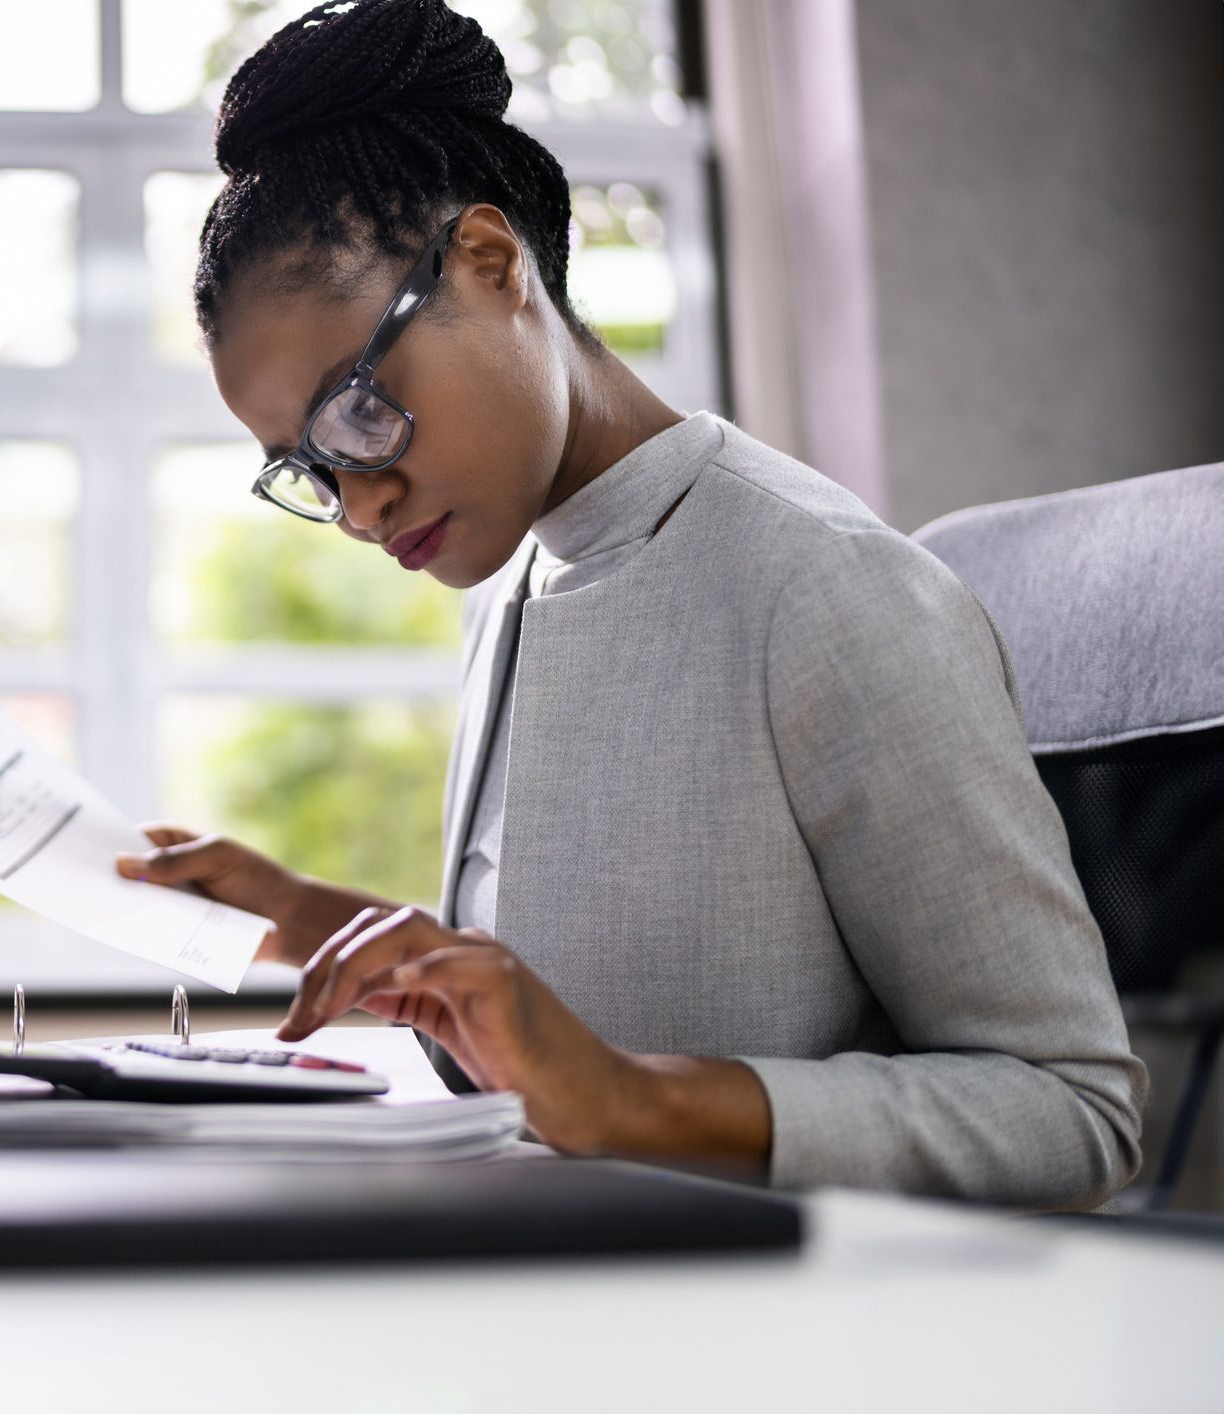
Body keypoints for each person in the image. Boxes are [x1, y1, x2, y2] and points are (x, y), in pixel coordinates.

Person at [114, 0, 1146, 1208]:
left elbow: (1073, 1111)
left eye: (355, 411)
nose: (356, 505)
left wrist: (634, 1101)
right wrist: (305, 915)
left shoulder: (826, 588)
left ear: (494, 266)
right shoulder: (516, 579)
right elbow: (560, 1020)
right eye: (311, 463)